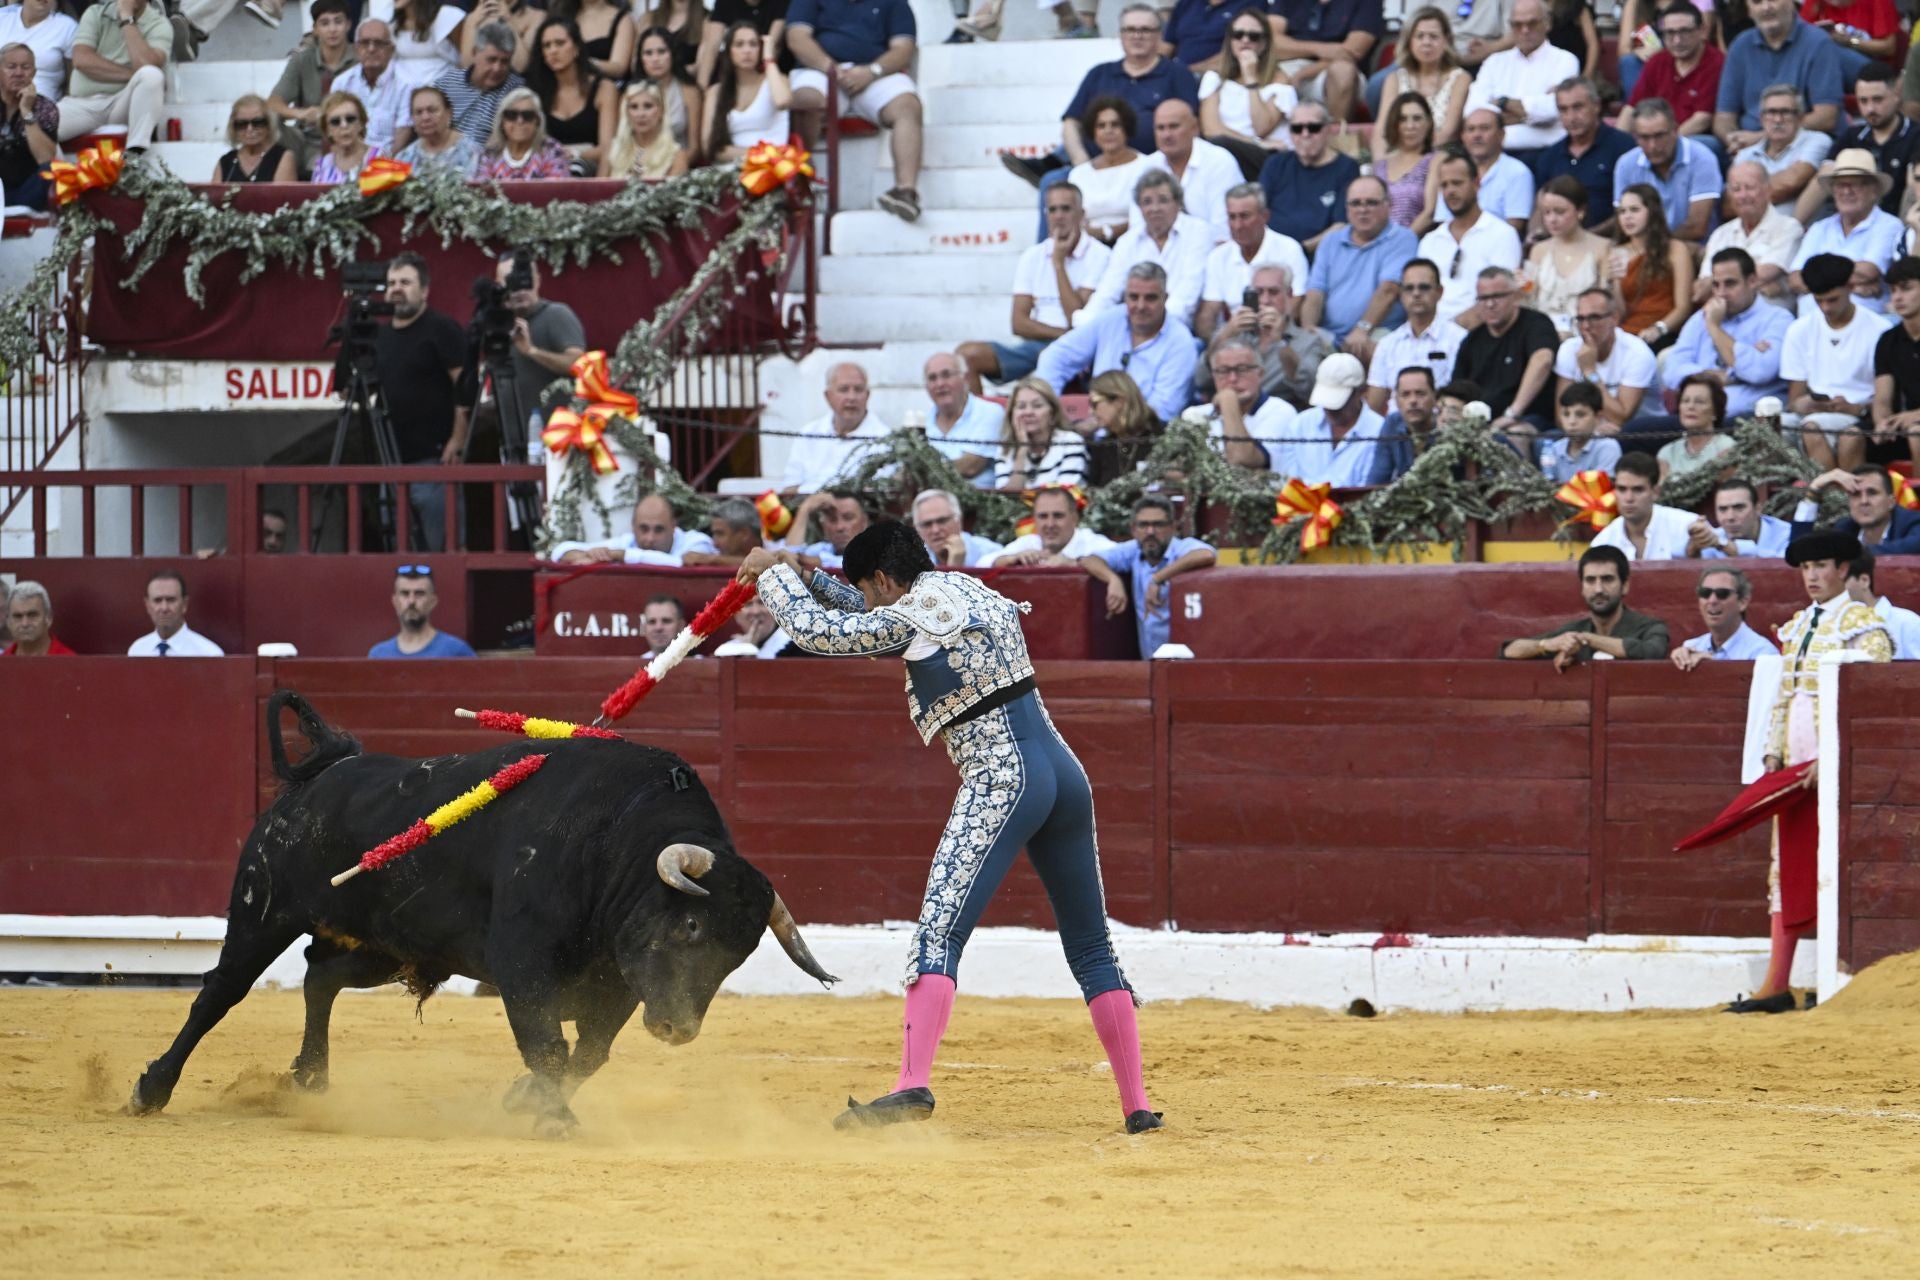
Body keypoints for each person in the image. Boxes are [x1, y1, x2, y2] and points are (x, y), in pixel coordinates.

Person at [742, 524, 1162, 1135]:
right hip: (1064, 775)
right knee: (1092, 945)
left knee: (939, 932)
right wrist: (807, 576)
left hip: (1003, 778)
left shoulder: (910, 615)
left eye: (873, 589)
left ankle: (912, 1083)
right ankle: (1137, 1105)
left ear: (885, 578)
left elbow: (820, 634)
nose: (874, 603)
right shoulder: (967, 590)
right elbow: (871, 614)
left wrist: (771, 575)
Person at [1737, 528, 1891, 1014]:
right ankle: (1776, 984)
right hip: (1796, 771)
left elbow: (1869, 706)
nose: (1811, 576)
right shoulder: (1797, 626)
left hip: (1839, 771)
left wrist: (1832, 760)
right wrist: (1772, 756)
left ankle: (1846, 986)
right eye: (1805, 568)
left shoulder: (1864, 625)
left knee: (1840, 867)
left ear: (1844, 570)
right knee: (1787, 869)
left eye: (1820, 566)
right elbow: (1785, 698)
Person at [1000, 4, 1198, 197]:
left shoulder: (1178, 75)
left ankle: (1050, 161)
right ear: (1120, 35)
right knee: (1051, 182)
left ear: (1159, 35)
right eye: (1130, 29)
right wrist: (1082, 164)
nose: (1137, 35)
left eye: (1145, 30)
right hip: (1097, 165)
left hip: (1150, 168)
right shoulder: (1099, 74)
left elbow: (1190, 126)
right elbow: (1071, 122)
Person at [958, 183, 1111, 391]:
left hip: (1083, 348)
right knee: (967, 356)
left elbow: (1077, 318)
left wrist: (1058, 264)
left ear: (1081, 214)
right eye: (1052, 209)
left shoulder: (1101, 255)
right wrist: (1062, 334)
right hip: (1039, 344)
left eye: (1066, 209)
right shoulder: (1032, 256)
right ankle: (977, 422)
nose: (1058, 216)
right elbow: (1019, 323)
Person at [785, 0, 924, 222]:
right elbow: (797, 38)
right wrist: (833, 71)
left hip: (874, 72)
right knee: (805, 101)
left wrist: (872, 72)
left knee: (908, 106)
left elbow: (904, 47)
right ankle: (800, 179)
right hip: (822, 70)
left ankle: (905, 191)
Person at [373, 253, 469, 551]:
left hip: (435, 462)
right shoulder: (380, 335)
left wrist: (458, 438)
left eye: (405, 282)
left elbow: (465, 385)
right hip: (391, 464)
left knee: (444, 551)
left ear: (425, 290)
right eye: (390, 283)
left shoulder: (441, 327)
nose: (396, 289)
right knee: (398, 555)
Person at [1036, 262, 1199, 423]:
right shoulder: (1111, 319)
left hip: (1145, 436)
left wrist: (1108, 420)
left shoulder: (1181, 342)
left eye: (1150, 298)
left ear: (1165, 298)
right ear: (1125, 296)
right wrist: (1049, 406)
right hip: (1095, 425)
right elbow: (1055, 357)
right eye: (1133, 297)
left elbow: (1163, 411)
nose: (1140, 306)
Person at [1783, 251, 1890, 469]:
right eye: (1819, 301)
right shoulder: (1799, 330)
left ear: (1850, 287)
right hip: (1815, 413)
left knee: (1813, 427)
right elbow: (1795, 397)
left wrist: (1856, 408)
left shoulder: (1880, 330)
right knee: (1773, 427)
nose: (1826, 308)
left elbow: (1887, 398)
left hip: (1859, 415)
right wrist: (1803, 404)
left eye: (1832, 300)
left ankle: (1831, 499)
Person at [1663, 248, 1792, 420]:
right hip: (1699, 417)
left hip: (1747, 419)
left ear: (1752, 281)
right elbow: (1672, 371)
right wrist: (1728, 375)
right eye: (1716, 285)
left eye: (1730, 284)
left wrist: (1715, 328)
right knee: (1635, 433)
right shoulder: (1701, 318)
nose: (1721, 293)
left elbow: (1759, 372)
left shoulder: (1778, 319)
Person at [1303, 175, 1419, 364]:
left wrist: (1362, 329)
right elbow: (1315, 293)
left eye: (1371, 203)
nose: (1363, 210)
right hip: (1330, 334)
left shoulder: (1402, 238)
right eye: (1355, 203)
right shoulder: (1331, 241)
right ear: (1347, 208)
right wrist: (1309, 328)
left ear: (1388, 205)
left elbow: (1388, 290)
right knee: (1300, 353)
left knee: (1371, 352)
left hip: (1378, 330)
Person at [1083, 495, 1215, 657]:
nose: (1150, 532)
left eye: (1158, 525)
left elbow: (1206, 554)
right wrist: (1113, 579)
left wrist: (1157, 578)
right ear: (1133, 529)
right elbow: (1089, 560)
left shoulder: (1180, 547)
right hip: (1149, 662)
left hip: (1187, 659)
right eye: (1143, 525)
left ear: (1173, 527)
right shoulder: (1133, 550)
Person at [1080, 169, 1213, 326]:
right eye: (1147, 202)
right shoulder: (1128, 241)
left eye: (1163, 200)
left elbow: (1188, 293)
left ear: (1178, 203)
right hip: (1137, 326)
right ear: (1139, 207)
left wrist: (1152, 326)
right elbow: (1108, 291)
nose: (1155, 208)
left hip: (1180, 327)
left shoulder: (1198, 232)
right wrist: (1086, 322)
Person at [1500, 545, 1670, 667]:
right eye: (1590, 580)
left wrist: (1587, 639)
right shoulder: (1573, 632)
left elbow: (1651, 651)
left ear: (1625, 585)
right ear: (1581, 587)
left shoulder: (1651, 628)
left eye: (1607, 579)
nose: (1598, 589)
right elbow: (1508, 650)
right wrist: (1547, 645)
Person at [1714, 0, 1842, 154]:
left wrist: (1760, 139)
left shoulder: (1818, 42)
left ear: (1792, 3)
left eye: (1773, 0)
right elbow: (1723, 117)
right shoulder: (1740, 45)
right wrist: (1734, 141)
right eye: (1757, 2)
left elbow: (1826, 117)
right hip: (1746, 147)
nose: (1766, 7)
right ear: (1749, 10)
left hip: (1800, 143)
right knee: (1702, 147)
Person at [1416, 148, 1522, 328]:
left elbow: (1500, 296)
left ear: (1476, 184)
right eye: (1445, 185)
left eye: (1457, 183)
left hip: (1481, 332)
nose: (1450, 191)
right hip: (1431, 333)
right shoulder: (1430, 241)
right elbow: (1419, 295)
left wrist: (1451, 330)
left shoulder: (1502, 234)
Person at [1452, 266, 1558, 439]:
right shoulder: (1472, 341)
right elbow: (1457, 390)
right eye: (1484, 298)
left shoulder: (1536, 323)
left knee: (1512, 435)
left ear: (1515, 296)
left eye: (1497, 296)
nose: (1490, 304)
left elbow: (1543, 360)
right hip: (1481, 423)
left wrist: (1512, 413)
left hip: (1529, 418)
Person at [1461, 0, 1577, 158]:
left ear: (1547, 23)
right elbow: (1473, 110)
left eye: (1532, 23)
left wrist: (1502, 103)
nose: (1525, 30)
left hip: (1544, 153)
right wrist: (1530, 114)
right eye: (1517, 25)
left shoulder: (1565, 60)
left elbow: (1552, 109)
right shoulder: (1494, 62)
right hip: (1495, 153)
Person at [1789, 150, 1904, 301]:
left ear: (1874, 190)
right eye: (1840, 185)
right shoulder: (1820, 228)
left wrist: (1814, 278)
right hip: (1811, 320)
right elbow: (1794, 279)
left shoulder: (1889, 225)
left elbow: (1869, 271)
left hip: (1865, 320)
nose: (1846, 192)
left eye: (1855, 185)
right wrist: (1853, 286)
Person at [1271, 351, 1401, 484]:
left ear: (1360, 392)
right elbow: (1282, 480)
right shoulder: (1299, 426)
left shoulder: (1380, 432)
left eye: (1339, 404)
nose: (1330, 410)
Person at [56, 0, 169, 153]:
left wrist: (127, 19)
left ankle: (135, 152)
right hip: (82, 104)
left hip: (122, 104)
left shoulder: (159, 24)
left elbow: (146, 65)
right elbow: (82, 60)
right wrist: (132, 75)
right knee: (37, 126)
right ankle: (57, 174)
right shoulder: (95, 13)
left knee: (152, 75)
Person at [1198, 9, 1296, 178]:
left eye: (1253, 36)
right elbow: (1211, 130)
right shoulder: (1214, 78)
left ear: (1264, 43)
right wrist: (1257, 143)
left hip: (1265, 160)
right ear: (1230, 40)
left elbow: (1261, 127)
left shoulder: (1280, 81)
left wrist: (1251, 79)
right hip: (1226, 152)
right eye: (1238, 34)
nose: (1245, 40)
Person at [1216, 263, 1332, 405]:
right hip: (1230, 408)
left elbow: (1310, 391)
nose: (1265, 301)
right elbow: (1201, 379)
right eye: (1258, 293)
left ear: (1289, 295)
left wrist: (1281, 341)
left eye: (1273, 292)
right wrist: (1225, 336)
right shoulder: (1234, 332)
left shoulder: (1309, 341)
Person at [1532, 77, 1634, 232]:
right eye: (1563, 110)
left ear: (1596, 106)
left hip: (1610, 244)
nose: (1571, 117)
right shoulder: (1549, 157)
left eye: (1578, 107)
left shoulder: (1624, 148)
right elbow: (1540, 211)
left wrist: (1585, 240)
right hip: (1560, 244)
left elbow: (1632, 208)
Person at [1256, 101, 1360, 252]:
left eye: (1313, 128)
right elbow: (1257, 213)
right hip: (1271, 253)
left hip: (1319, 255)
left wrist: (1301, 249)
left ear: (1328, 129)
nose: (1305, 134)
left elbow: (1341, 225)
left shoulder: (1346, 168)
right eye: (1297, 129)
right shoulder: (1275, 164)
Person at [1364, 257, 1464, 415]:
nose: (1416, 293)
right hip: (1396, 430)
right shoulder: (1387, 344)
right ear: (1401, 294)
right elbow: (1374, 405)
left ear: (1439, 292)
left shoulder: (1459, 339)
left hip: (1442, 426)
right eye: (1409, 288)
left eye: (1424, 287)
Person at [1695, 161, 1805, 304]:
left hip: (1769, 317)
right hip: (1724, 316)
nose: (1743, 195)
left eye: (1750, 188)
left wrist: (1717, 282)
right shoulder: (1720, 234)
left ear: (1768, 190)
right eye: (1736, 189)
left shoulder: (1788, 228)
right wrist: (1756, 282)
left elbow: (1767, 272)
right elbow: (1701, 288)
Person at [266, 0, 357, 171]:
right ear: (315, 29)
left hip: (348, 137)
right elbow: (273, 103)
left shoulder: (359, 60)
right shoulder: (302, 60)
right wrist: (300, 113)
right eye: (324, 23)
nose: (332, 29)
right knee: (265, 119)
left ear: (348, 25)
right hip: (306, 138)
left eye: (338, 21)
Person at [1614, 98, 1720, 243]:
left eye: (1659, 136)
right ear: (1635, 137)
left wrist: (1657, 249)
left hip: (1690, 246)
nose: (1653, 146)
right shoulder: (1626, 164)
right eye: (1645, 138)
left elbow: (1696, 227)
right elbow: (1623, 221)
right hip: (1644, 248)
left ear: (1675, 130)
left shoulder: (1702, 158)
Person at [1187, 333, 1296, 469]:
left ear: (1260, 374)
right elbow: (1173, 470)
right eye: (1223, 371)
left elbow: (1243, 460)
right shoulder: (1194, 414)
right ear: (1213, 376)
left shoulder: (1280, 411)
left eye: (1242, 369)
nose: (1232, 378)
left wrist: (1228, 401)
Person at [1628, 3, 1725, 155]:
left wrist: (1663, 143)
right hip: (1654, 136)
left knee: (1705, 144)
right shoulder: (1658, 61)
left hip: (1692, 140)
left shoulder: (1717, 63)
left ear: (1702, 30)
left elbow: (1702, 120)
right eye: (1670, 33)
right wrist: (1616, 141)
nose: (1677, 41)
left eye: (1684, 31)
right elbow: (1631, 109)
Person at [1555, 288, 1656, 432]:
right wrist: (1594, 430)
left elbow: (1621, 418)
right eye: (1580, 319)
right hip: (1587, 431)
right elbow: (1561, 416)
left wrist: (1590, 372)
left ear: (1614, 319)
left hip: (1638, 434)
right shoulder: (1569, 349)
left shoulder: (1637, 353)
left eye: (1594, 318)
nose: (1586, 326)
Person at [1140, 97, 1239, 243]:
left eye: (1174, 127)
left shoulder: (1220, 162)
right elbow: (1138, 227)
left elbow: (1224, 232)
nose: (1166, 135)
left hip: (1210, 251)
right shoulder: (1146, 166)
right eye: (1160, 128)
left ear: (1194, 128)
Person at [1267, 0, 1383, 124]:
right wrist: (1320, 49)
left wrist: (1305, 73)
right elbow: (1271, 42)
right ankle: (1263, 141)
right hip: (1290, 64)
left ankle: (1337, 140)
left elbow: (1353, 51)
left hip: (1336, 68)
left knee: (1343, 71)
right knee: (1272, 76)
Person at [782, 362, 889, 493]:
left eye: (858, 390)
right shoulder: (808, 433)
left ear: (867, 395)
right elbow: (790, 488)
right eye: (844, 390)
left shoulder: (885, 439)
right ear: (828, 396)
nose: (852, 397)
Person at [528, 17, 616, 175]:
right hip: (551, 169)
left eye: (560, 43)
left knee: (576, 167)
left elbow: (608, 149)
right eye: (546, 46)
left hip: (589, 167)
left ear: (576, 48)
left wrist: (602, 191)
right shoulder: (538, 91)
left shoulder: (604, 88)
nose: (553, 51)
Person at [412, 22, 522, 148]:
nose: (497, 68)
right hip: (437, 156)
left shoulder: (516, 93)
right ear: (474, 52)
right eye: (491, 60)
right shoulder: (446, 84)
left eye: (504, 62)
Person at [1829, 63, 1917, 218]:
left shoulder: (1916, 135)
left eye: (1878, 99)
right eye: (1863, 101)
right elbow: (1823, 178)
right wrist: (1795, 221)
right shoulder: (1852, 135)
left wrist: (1902, 234)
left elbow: (1914, 191)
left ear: (1896, 95)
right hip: (1853, 222)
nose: (1870, 109)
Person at [1610, 184, 1693, 348]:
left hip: (1664, 332)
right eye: (1622, 211)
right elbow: (1619, 313)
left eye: (1634, 210)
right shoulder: (1617, 252)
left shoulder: (1676, 249)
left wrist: (1658, 329)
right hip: (1626, 332)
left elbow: (1683, 307)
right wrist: (1613, 281)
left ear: (1652, 212)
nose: (1627, 217)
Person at [1730, 85, 1828, 221]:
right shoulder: (1745, 155)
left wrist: (1749, 193)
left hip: (1796, 233)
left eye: (1785, 112)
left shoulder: (1817, 141)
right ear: (1761, 118)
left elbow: (1791, 182)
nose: (1777, 120)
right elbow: (1730, 204)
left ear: (1800, 117)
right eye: (1771, 112)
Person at [1527, 176, 1610, 337]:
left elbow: (1608, 301)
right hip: (1542, 333)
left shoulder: (1603, 248)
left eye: (1560, 212)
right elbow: (1529, 298)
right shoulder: (1538, 250)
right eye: (1546, 212)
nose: (1552, 219)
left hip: (1585, 332)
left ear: (1580, 212)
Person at [1377, 6, 1469, 146]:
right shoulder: (1394, 79)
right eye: (1420, 36)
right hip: (1398, 156)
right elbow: (1381, 131)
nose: (1426, 43)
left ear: (1446, 41)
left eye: (1433, 36)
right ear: (1409, 42)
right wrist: (1381, 164)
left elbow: (1448, 132)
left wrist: (1417, 163)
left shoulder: (1460, 78)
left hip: (1441, 157)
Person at [1064, 97, 1152, 243]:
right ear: (1093, 131)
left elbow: (1151, 215)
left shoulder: (1146, 166)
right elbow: (1073, 219)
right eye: (1101, 126)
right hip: (1089, 246)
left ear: (1126, 128)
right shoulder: (1079, 174)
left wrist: (1108, 232)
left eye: (1115, 125)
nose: (1108, 131)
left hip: (1137, 242)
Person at [1433, 109, 1534, 236]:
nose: (1477, 135)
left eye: (1484, 128)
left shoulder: (1518, 173)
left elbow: (1513, 228)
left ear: (1501, 134)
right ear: (1463, 137)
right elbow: (1443, 223)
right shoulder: (1452, 172)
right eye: (1471, 129)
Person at [549, 491, 722, 564]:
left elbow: (679, 564)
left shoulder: (697, 542)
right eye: (643, 529)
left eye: (659, 530)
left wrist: (624, 556)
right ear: (633, 527)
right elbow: (560, 551)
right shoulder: (628, 541)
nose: (649, 538)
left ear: (673, 526)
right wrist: (590, 555)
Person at [704, 20, 789, 165]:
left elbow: (782, 101)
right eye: (739, 44)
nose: (747, 50)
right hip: (733, 169)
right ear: (729, 51)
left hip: (775, 168)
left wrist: (768, 59)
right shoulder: (716, 91)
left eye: (753, 44)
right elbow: (709, 146)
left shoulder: (777, 80)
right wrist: (756, 155)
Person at [1788, 463, 1920, 553]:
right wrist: (1814, 490)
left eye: (1872, 493)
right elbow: (1800, 552)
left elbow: (1912, 546)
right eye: (1856, 494)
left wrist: (1847, 553)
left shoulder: (1913, 522)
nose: (1864, 501)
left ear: (1891, 502)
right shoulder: (1845, 528)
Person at [1591, 451, 1696, 560]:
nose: (1629, 498)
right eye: (1622, 489)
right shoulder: (1603, 542)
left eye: (1638, 490)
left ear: (1655, 492)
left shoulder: (1687, 527)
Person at [993, 378, 1089, 490]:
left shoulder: (1071, 442)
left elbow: (1064, 496)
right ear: (1011, 415)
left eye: (1037, 406)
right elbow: (1006, 501)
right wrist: (1022, 452)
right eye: (1021, 406)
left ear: (1052, 415)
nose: (1028, 412)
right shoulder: (1005, 449)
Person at [1670, 566, 1776, 667]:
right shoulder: (1691, 647)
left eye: (1722, 593)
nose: (1712, 601)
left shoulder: (1763, 653)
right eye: (1705, 593)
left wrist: (1714, 668)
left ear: (1742, 602)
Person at [921, 352, 999, 486]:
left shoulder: (989, 412)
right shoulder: (922, 423)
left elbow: (971, 466)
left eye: (946, 375)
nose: (940, 384)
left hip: (979, 501)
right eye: (932, 378)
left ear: (966, 378)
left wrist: (921, 472)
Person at [1871, 255, 1920, 467]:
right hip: (1907, 424)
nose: (1897, 298)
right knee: (1851, 435)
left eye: (1906, 288)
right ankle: (1847, 499)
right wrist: (1884, 422)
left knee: (1917, 433)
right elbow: (1882, 398)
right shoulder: (1888, 340)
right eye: (1893, 291)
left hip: (1915, 425)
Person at [991, 484, 1116, 566]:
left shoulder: (1093, 543)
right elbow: (981, 563)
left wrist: (1074, 563)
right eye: (1043, 516)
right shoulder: (1028, 543)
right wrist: (1011, 559)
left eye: (1058, 516)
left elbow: (1125, 560)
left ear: (1075, 518)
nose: (1050, 524)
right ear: (1034, 519)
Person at [369, 566, 477, 658]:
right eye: (405, 593)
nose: (411, 601)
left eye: (419, 594)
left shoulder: (456, 651)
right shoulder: (379, 655)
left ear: (433, 601)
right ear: (395, 602)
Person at [1371, 92, 1438, 231]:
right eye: (1403, 119)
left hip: (1414, 242)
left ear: (1429, 123)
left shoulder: (1435, 159)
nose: (1410, 126)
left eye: (1417, 118)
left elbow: (1430, 213)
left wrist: (1401, 242)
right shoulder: (1380, 165)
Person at [339, 19, 407, 157]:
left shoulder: (406, 84)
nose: (371, 49)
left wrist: (377, 167)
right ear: (356, 49)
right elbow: (334, 132)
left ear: (391, 50)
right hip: (348, 161)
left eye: (379, 43)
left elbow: (402, 138)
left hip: (388, 165)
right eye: (365, 43)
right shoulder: (342, 83)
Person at [1083, 370, 1164, 484]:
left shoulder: (1162, 438)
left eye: (1094, 404)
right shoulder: (1103, 447)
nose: (1090, 412)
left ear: (1119, 401)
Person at [634, 25, 702, 157]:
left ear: (672, 54)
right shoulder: (631, 93)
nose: (655, 59)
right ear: (641, 59)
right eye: (648, 53)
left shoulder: (689, 92)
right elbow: (623, 142)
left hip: (677, 165)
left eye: (661, 51)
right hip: (639, 165)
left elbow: (694, 149)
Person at [474, 87, 570, 180]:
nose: (519, 121)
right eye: (511, 115)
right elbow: (482, 192)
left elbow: (556, 191)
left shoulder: (552, 151)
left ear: (537, 121)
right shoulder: (489, 153)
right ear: (502, 121)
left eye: (527, 115)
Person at [0, 40, 52, 208]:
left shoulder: (45, 107)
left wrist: (26, 112)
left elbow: (46, 159)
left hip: (27, 192)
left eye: (25, 67)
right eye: (11, 66)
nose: (18, 73)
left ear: (34, 73)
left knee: (52, 169)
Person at [1687, 476, 1793, 558]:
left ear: (1757, 509)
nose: (1730, 517)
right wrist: (1694, 544)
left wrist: (1724, 546)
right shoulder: (1715, 537)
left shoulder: (1787, 534)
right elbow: (1675, 555)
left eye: (1739, 507)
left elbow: (1784, 563)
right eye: (1723, 509)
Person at [1656, 373, 1735, 480]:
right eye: (1685, 401)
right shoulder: (1667, 453)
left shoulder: (1727, 448)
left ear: (1715, 411)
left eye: (1699, 402)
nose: (1690, 406)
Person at [602, 80, 687, 179]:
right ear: (626, 113)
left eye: (648, 106)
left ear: (661, 111)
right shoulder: (613, 150)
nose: (641, 114)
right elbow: (598, 190)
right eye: (634, 107)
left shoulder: (676, 155)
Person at [1539, 380, 1622, 482]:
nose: (1572, 421)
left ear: (1598, 417)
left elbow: (1600, 491)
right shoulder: (1554, 449)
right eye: (1566, 414)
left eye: (1580, 414)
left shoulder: (1608, 448)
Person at [394, 85, 484, 176]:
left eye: (432, 110)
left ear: (448, 113)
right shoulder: (404, 158)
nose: (425, 117)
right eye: (418, 112)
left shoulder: (472, 153)